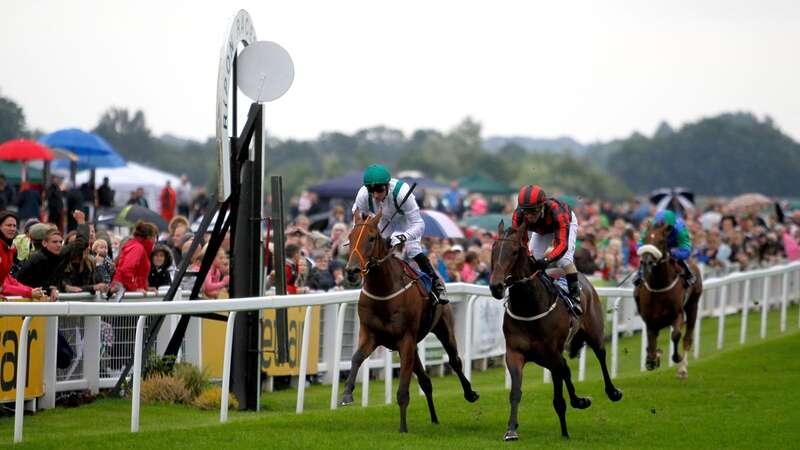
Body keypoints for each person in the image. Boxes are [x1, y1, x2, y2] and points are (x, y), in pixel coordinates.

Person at [352, 164, 448, 304]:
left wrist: (403, 237)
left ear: (387, 186)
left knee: (412, 248)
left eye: (379, 190)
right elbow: (357, 221)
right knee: (378, 246)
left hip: (406, 220)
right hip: (384, 219)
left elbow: (419, 224)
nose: (376, 195)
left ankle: (437, 285)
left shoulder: (402, 193)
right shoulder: (362, 195)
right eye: (372, 191)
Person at [511, 185, 583, 316]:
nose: (529, 216)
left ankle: (575, 297)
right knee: (530, 261)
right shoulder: (518, 215)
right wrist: (529, 256)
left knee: (564, 260)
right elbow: (520, 241)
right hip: (541, 230)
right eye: (526, 212)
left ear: (542, 206)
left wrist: (547, 260)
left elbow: (562, 245)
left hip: (564, 224)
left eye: (533, 211)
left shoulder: (558, 212)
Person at [18, 210, 89, 300]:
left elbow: (80, 243)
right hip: (25, 302)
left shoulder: (59, 253)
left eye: (60, 242)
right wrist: (51, 289)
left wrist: (81, 222)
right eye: (55, 242)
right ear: (44, 243)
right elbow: (39, 283)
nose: (59, 245)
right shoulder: (38, 259)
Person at [634, 209, 696, 287]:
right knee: (646, 257)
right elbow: (639, 244)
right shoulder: (651, 227)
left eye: (668, 228)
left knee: (681, 260)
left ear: (672, 225)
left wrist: (672, 252)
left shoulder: (680, 229)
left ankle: (689, 275)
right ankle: (639, 274)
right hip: (657, 247)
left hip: (674, 247)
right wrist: (646, 250)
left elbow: (686, 252)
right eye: (659, 226)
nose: (664, 230)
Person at [0, 211, 46, 300]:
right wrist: (29, 292)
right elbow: (3, 286)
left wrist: (32, 290)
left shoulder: (9, 250)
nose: (12, 229)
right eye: (8, 225)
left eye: (14, 226)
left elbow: (9, 280)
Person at [113, 221, 157, 292]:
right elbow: (125, 270)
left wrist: (145, 288)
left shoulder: (138, 246)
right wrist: (134, 289)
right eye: (155, 236)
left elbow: (138, 274)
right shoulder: (138, 248)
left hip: (124, 291)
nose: (155, 240)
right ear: (150, 237)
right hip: (124, 293)